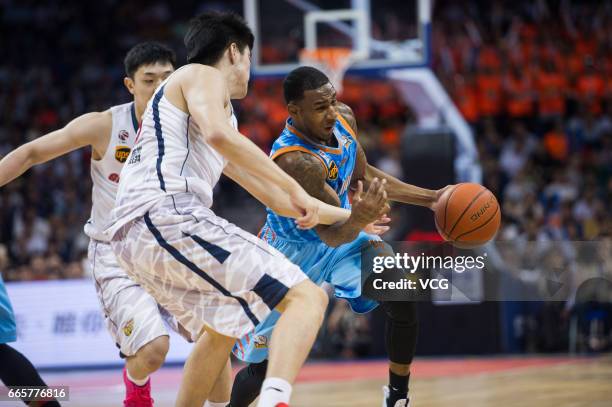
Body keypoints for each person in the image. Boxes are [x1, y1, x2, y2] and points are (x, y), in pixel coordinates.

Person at [106, 12, 386, 407]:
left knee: (220, 330)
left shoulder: (206, 113)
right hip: (166, 214)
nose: (249, 71)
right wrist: (296, 188)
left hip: (137, 237)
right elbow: (229, 143)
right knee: (307, 299)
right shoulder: (201, 75)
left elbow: (273, 198)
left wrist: (353, 219)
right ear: (235, 51)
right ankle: (276, 399)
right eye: (250, 58)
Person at [0, 42, 209, 407]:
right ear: (130, 85)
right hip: (119, 253)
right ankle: (111, 391)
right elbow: (32, 153)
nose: (160, 86)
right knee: (153, 349)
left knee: (214, 335)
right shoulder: (106, 125)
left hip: (172, 246)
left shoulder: (194, 126)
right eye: (149, 79)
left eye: (168, 78)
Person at [230, 66, 452, 407]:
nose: (332, 112)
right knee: (261, 369)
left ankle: (398, 397)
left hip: (344, 237)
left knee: (402, 292)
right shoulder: (296, 161)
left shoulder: (343, 120)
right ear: (294, 111)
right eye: (320, 107)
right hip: (293, 252)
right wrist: (359, 217)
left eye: (332, 101)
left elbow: (363, 174)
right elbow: (329, 233)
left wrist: (432, 198)